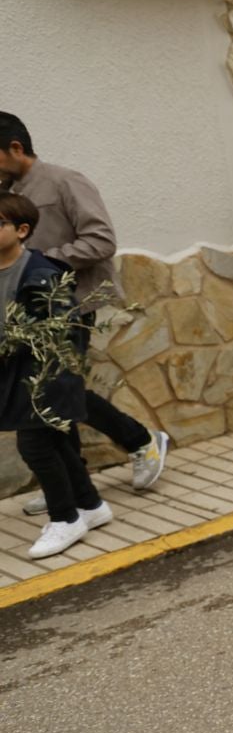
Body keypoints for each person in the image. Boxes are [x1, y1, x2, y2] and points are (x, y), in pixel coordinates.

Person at [0, 112, 170, 503]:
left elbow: (101, 241)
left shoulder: (64, 181)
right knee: (45, 391)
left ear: (14, 148)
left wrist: (41, 262)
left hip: (70, 304)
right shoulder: (7, 190)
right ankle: (68, 480)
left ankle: (142, 440)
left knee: (61, 389)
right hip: (27, 312)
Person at [0, 195, 110, 559]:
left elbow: (58, 330)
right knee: (56, 443)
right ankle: (90, 505)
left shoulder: (41, 272)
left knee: (34, 446)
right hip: (14, 373)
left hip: (43, 375)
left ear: (21, 231)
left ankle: (65, 518)